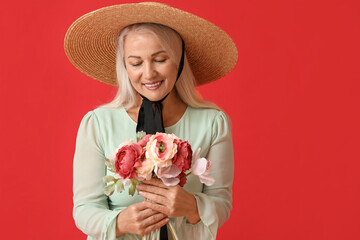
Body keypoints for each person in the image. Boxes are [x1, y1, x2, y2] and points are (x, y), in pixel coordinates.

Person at [65, 2, 237, 240]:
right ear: (125, 66)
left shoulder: (213, 123)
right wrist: (119, 222)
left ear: (178, 61)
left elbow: (222, 203)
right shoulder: (97, 124)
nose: (148, 74)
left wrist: (192, 207)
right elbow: (83, 210)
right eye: (136, 63)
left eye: (160, 59)